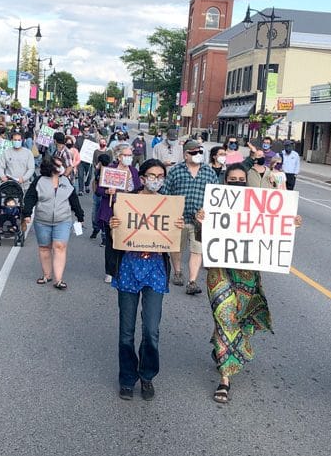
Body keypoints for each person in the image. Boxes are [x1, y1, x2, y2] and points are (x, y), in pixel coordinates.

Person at [197, 164, 302, 403]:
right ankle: (225, 378)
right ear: (225, 181)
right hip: (219, 273)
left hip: (246, 275)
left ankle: (221, 348)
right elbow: (203, 240)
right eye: (232, 179)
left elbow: (272, 231)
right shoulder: (214, 206)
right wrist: (202, 221)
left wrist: (288, 223)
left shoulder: (256, 206)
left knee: (238, 319)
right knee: (225, 318)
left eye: (241, 179)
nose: (236, 182)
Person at [108, 159, 185, 401]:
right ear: (141, 178)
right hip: (129, 270)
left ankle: (147, 375)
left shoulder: (168, 205)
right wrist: (114, 226)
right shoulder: (127, 202)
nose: (156, 179)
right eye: (151, 175)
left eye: (160, 175)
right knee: (126, 331)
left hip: (155, 272)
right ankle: (127, 378)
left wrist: (178, 265)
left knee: (151, 329)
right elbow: (116, 237)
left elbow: (173, 242)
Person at [163, 139, 219, 294]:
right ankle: (178, 271)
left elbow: (217, 196)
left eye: (200, 152)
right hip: (178, 219)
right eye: (193, 152)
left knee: (197, 250)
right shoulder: (175, 171)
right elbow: (166, 193)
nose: (197, 155)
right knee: (177, 248)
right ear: (185, 154)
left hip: (200, 221)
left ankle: (192, 281)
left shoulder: (209, 172)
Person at [22, 154, 84, 290]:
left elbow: (73, 199)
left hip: (63, 220)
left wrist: (80, 216)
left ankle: (58, 279)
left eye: (61, 164)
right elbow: (30, 197)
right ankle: (47, 275)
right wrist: (26, 213)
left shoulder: (66, 181)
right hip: (42, 220)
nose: (61, 167)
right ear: (50, 167)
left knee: (59, 246)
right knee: (44, 248)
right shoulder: (39, 181)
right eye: (58, 165)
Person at [96, 144, 140, 283]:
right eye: (126, 155)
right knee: (111, 241)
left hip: (129, 210)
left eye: (130, 155)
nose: (129, 158)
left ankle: (122, 269)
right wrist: (107, 191)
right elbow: (98, 190)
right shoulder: (110, 170)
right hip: (111, 209)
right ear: (119, 157)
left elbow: (139, 189)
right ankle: (110, 270)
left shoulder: (134, 171)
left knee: (125, 241)